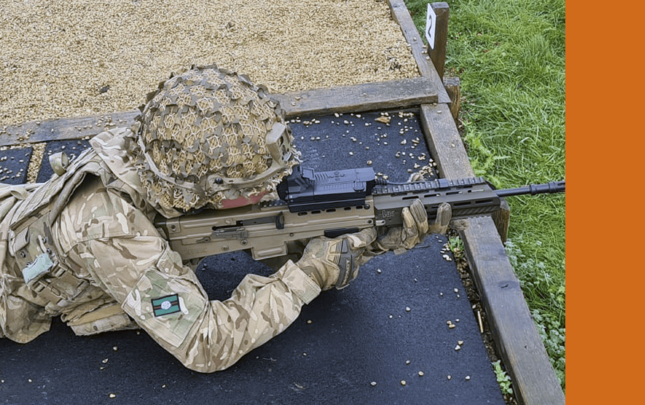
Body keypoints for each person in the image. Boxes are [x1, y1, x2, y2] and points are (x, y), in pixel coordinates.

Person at [0, 65, 450, 372]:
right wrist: (309, 274)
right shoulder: (112, 232)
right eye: (251, 188)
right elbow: (205, 344)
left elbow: (271, 221)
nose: (268, 192)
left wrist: (369, 237)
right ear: (199, 190)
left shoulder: (166, 148)